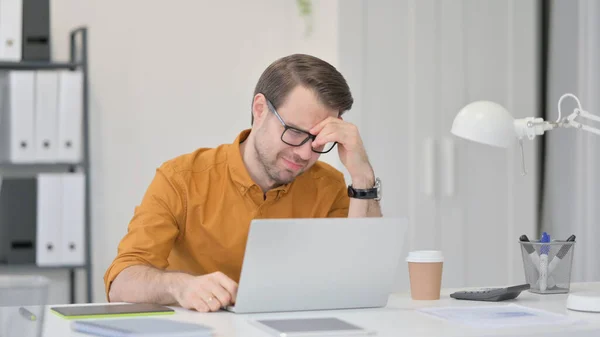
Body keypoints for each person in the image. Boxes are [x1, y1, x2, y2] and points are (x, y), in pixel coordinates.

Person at [104, 54, 382, 312]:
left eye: (320, 140)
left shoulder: (328, 185)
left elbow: (361, 280)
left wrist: (362, 178)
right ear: (260, 109)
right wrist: (179, 286)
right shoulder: (182, 179)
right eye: (295, 133)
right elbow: (122, 282)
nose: (305, 153)